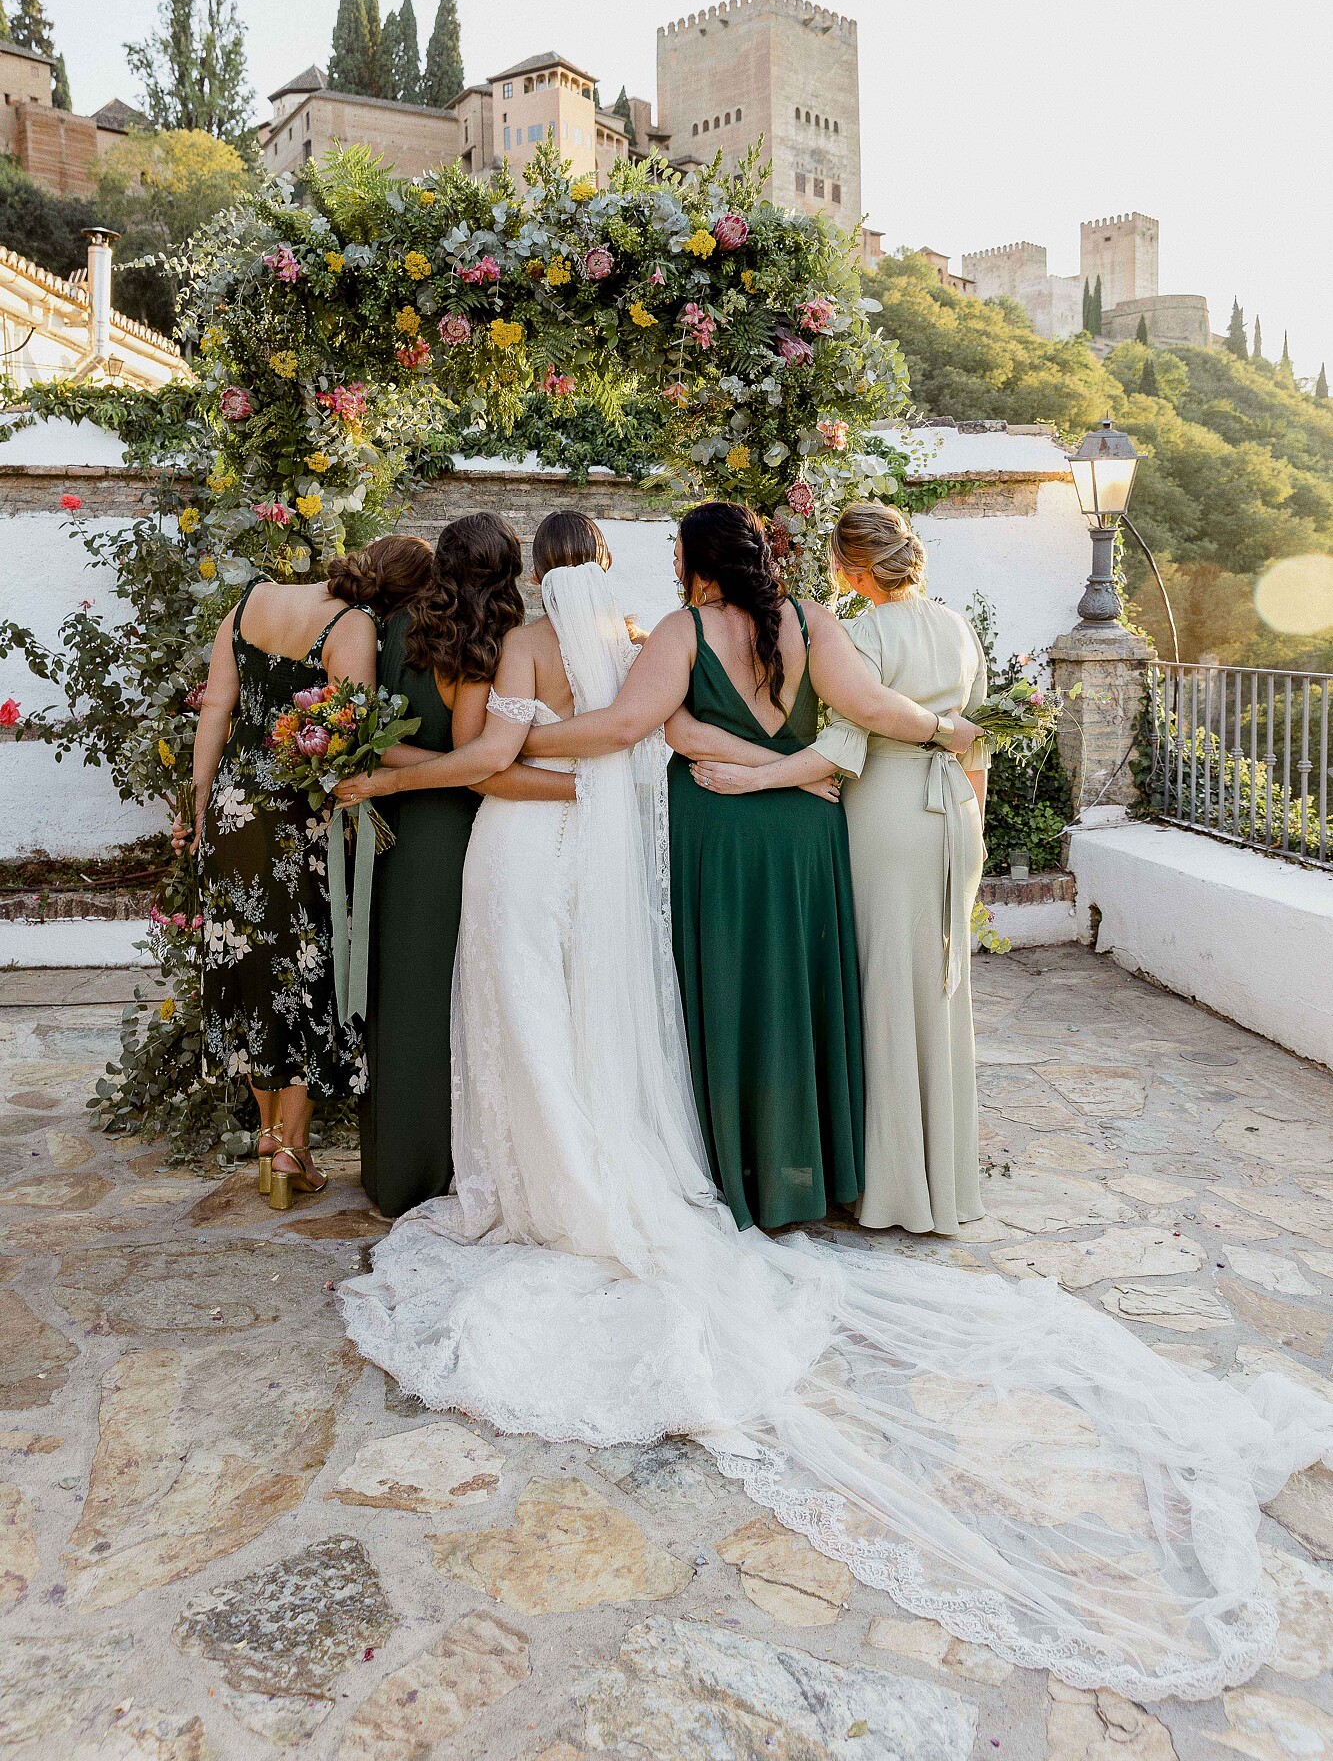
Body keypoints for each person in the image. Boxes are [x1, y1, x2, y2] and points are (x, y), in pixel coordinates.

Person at [339, 543, 1333, 1703]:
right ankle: (762, 1169)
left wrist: (467, 762)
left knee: (596, 1016)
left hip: (634, 842)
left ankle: (631, 1175)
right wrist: (871, 747)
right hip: (773, 833)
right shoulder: (766, 626)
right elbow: (779, 726)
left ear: (687, 568)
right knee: (694, 1014)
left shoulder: (630, 638)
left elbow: (595, 741)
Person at [521, 501, 979, 1231]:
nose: (671, 564)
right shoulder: (811, 622)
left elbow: (626, 726)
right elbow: (865, 706)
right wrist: (939, 730)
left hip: (719, 835)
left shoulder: (682, 631)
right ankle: (813, 1175)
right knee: (797, 992)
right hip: (806, 837)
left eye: (676, 551)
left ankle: (730, 1168)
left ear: (701, 562)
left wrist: (515, 743)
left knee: (729, 989)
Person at [685, 503, 990, 1235]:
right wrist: (972, 828)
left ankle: (886, 1186)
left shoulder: (857, 633)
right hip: (951, 809)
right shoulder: (956, 627)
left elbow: (850, 737)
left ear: (848, 567)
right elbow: (977, 735)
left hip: (885, 811)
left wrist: (752, 778)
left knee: (881, 987)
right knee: (938, 987)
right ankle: (940, 1180)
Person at [178, 539, 418, 1210]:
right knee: (305, 973)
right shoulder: (354, 625)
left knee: (249, 969)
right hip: (299, 817)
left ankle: (266, 1137)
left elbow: (217, 710)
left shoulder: (252, 597)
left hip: (231, 810)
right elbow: (349, 732)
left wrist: (199, 803)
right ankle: (291, 1148)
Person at [354, 513, 576, 1219]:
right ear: (508, 571)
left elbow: (371, 738)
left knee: (400, 992)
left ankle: (392, 1170)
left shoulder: (388, 628)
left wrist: (389, 774)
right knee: (445, 997)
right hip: (453, 831)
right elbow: (479, 761)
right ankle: (438, 1169)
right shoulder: (482, 644)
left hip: (389, 834)